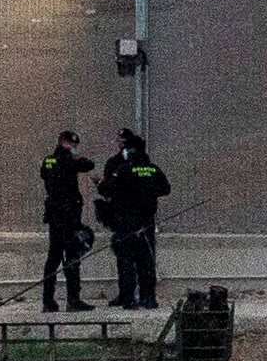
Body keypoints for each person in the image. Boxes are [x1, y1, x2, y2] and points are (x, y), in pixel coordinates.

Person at [95, 129, 170, 311]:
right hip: (147, 222)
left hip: (126, 222)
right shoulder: (153, 169)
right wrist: (147, 191)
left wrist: (99, 184)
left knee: (127, 260)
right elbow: (165, 189)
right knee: (146, 261)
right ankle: (149, 298)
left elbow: (107, 190)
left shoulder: (124, 169)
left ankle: (128, 299)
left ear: (131, 150)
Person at [37, 128, 98, 313]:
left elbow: (44, 174)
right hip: (69, 217)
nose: (75, 148)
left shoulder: (48, 160)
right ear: (65, 143)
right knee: (72, 257)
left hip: (54, 216)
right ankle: (73, 300)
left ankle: (48, 301)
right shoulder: (69, 160)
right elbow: (89, 165)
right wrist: (75, 156)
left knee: (53, 258)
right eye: (73, 145)